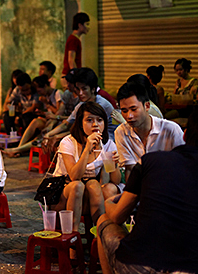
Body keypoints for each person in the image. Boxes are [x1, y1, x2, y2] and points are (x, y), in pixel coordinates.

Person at [96, 108, 198, 274]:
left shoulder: (152, 161)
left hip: (142, 266)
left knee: (104, 220)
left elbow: (117, 215)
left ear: (184, 135)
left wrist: (108, 202)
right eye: (125, 110)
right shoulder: (122, 134)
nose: (129, 116)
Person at [51, 102, 119, 234]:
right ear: (80, 123)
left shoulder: (109, 144)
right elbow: (74, 176)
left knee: (96, 185)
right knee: (78, 186)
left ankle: (98, 233)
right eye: (89, 120)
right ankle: (73, 239)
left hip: (90, 195)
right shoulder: (68, 142)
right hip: (63, 192)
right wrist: (87, 148)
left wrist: (113, 164)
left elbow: (114, 180)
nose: (95, 124)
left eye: (100, 120)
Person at [114, 81, 184, 181]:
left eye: (134, 109)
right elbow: (130, 170)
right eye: (124, 111)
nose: (129, 116)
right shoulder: (121, 132)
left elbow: (184, 163)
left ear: (146, 106)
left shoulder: (171, 130)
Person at [46, 67, 115, 144]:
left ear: (93, 89)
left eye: (84, 89)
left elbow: (89, 131)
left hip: (108, 138)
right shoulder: (82, 104)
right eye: (78, 89)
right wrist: (48, 134)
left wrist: (60, 136)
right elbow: (66, 124)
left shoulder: (100, 104)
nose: (80, 93)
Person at [3, 75, 62, 158]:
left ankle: (17, 150)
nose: (38, 93)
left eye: (39, 90)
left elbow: (58, 113)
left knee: (36, 127)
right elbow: (8, 102)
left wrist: (46, 104)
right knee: (34, 122)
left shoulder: (57, 93)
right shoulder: (45, 95)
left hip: (56, 121)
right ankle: (18, 148)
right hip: (48, 119)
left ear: (45, 86)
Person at [61, 12, 90, 87]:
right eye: (87, 24)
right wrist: (75, 76)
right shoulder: (73, 40)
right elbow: (71, 59)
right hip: (69, 78)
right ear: (80, 25)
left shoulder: (74, 39)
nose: (88, 27)